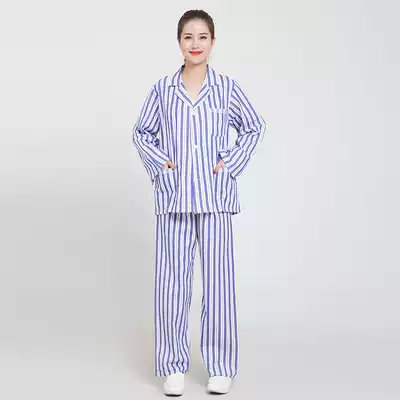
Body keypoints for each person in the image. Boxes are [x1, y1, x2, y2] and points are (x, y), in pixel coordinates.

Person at [132, 9, 266, 396]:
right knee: (172, 285)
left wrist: (230, 164)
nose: (195, 44)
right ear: (179, 42)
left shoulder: (226, 89)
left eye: (202, 37)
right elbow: (142, 133)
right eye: (188, 37)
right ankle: (173, 366)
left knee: (219, 285)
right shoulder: (162, 90)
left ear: (213, 42)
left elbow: (254, 126)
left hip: (215, 199)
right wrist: (162, 164)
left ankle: (220, 367)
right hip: (173, 198)